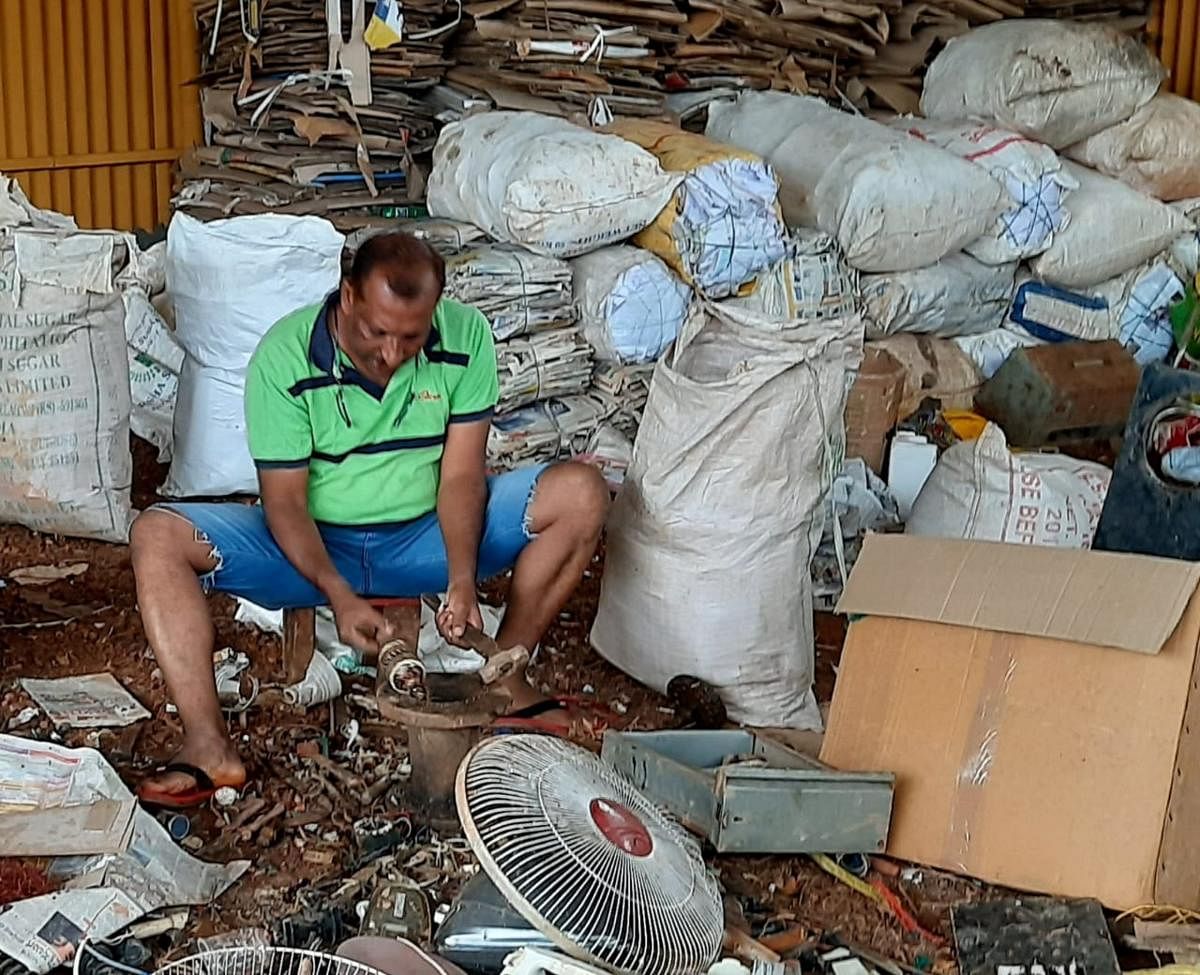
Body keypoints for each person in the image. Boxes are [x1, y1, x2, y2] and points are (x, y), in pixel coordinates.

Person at [130, 232, 609, 809]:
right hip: (311, 547)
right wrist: (336, 592)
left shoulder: (466, 337)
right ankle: (208, 746)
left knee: (581, 493)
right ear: (348, 295)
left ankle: (501, 678)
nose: (390, 353)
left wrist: (461, 580)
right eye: (376, 332)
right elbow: (283, 502)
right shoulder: (285, 356)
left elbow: (461, 478)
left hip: (422, 539)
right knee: (156, 535)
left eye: (411, 337)